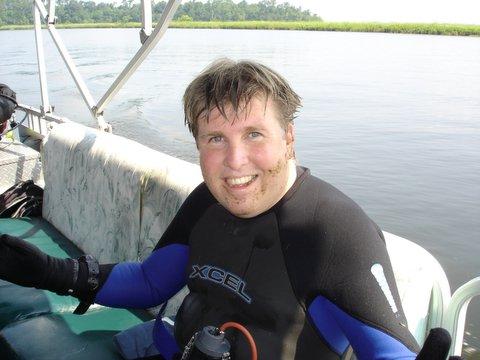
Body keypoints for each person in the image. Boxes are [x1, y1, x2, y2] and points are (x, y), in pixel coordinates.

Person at [0, 59, 423, 359]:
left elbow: (390, 351)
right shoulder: (208, 199)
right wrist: (50, 273)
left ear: (289, 137)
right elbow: (151, 282)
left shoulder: (333, 231)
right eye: (215, 139)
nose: (235, 161)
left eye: (255, 134)